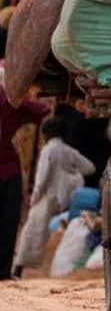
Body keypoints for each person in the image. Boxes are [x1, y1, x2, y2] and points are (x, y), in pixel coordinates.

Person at [11, 115, 95, 277]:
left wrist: (34, 198)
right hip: (65, 199)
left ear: (46, 134)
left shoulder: (48, 150)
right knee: (57, 233)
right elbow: (89, 168)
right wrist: (72, 174)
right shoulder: (69, 151)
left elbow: (42, 179)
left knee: (31, 233)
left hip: (47, 198)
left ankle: (18, 269)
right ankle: (53, 270)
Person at [0, 87, 50, 280]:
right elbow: (41, 111)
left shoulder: (8, 101)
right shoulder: (8, 100)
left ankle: (3, 272)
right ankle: (3, 272)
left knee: (9, 221)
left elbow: (41, 111)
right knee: (8, 221)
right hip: (9, 169)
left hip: (9, 170)